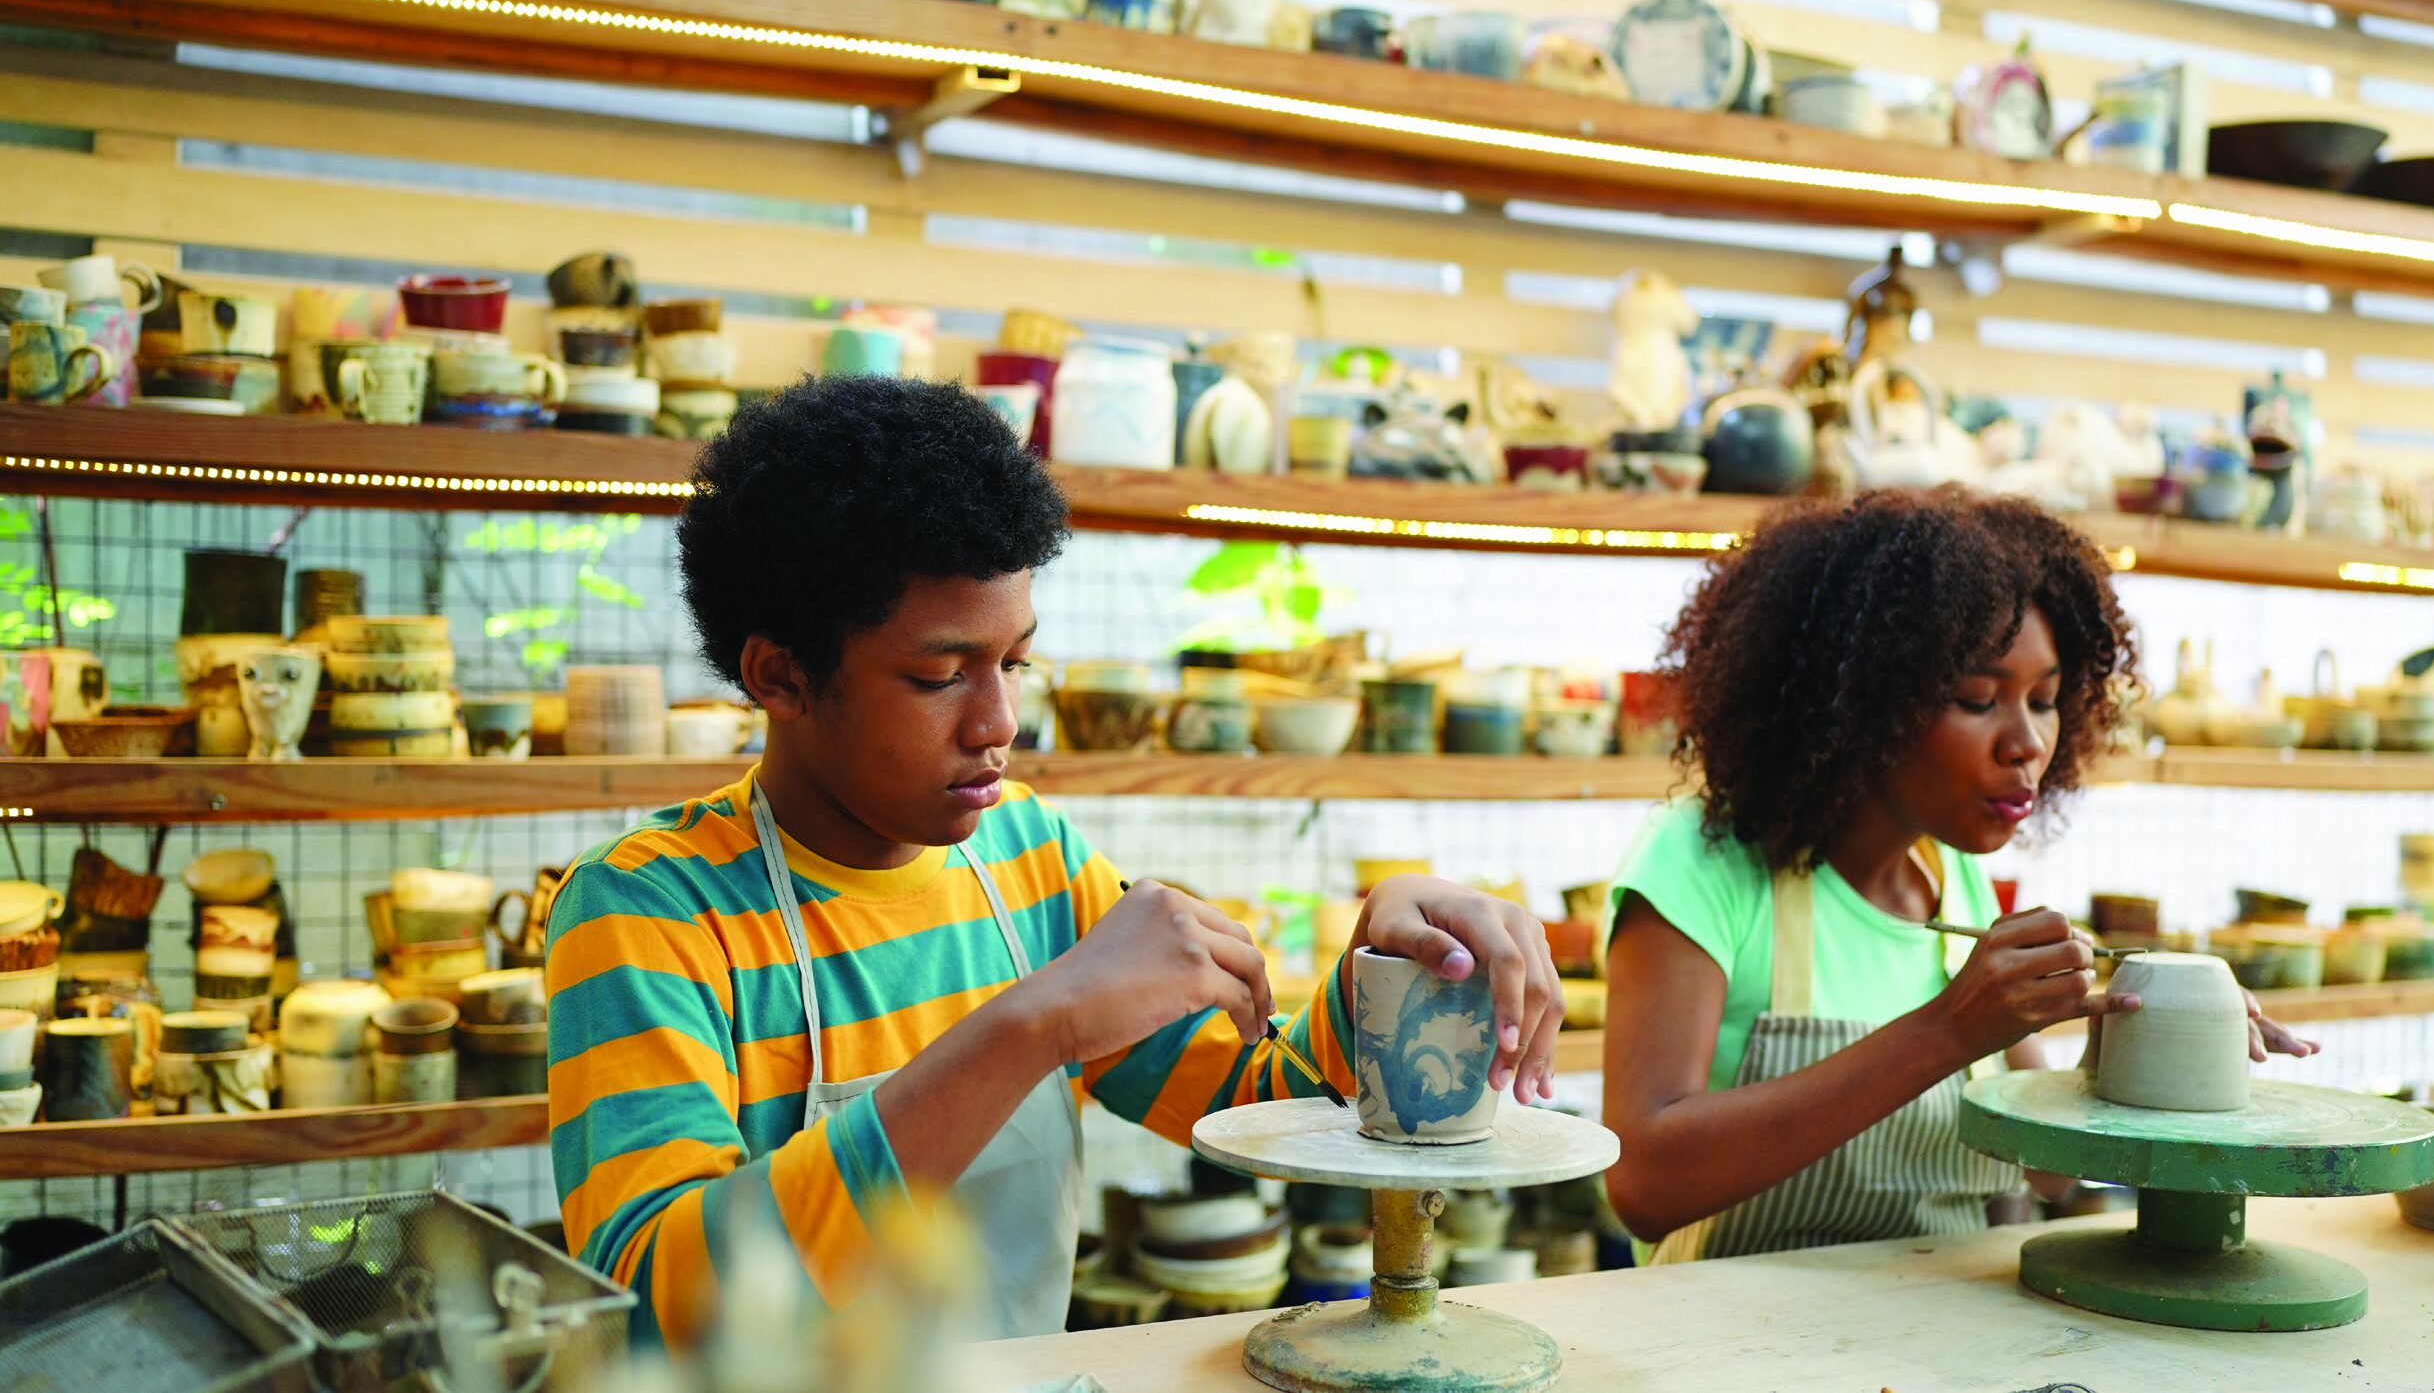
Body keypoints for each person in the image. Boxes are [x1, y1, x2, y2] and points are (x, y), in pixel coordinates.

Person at [546, 376, 1564, 1349]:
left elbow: (1264, 1102)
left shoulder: (1027, 858)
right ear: (781, 675)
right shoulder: (647, 913)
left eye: (1015, 661)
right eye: (940, 675)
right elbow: (655, 1308)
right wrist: (1031, 1024)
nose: (999, 722)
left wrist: (1387, 961)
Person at [1600, 488, 2314, 1262]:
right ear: (1862, 701)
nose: (2028, 743)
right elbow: (1643, 1185)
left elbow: (2044, 1171)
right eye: (1978, 699)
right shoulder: (1704, 863)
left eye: (2044, 702)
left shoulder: (1954, 880)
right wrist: (1947, 1031)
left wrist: (2134, 1044)